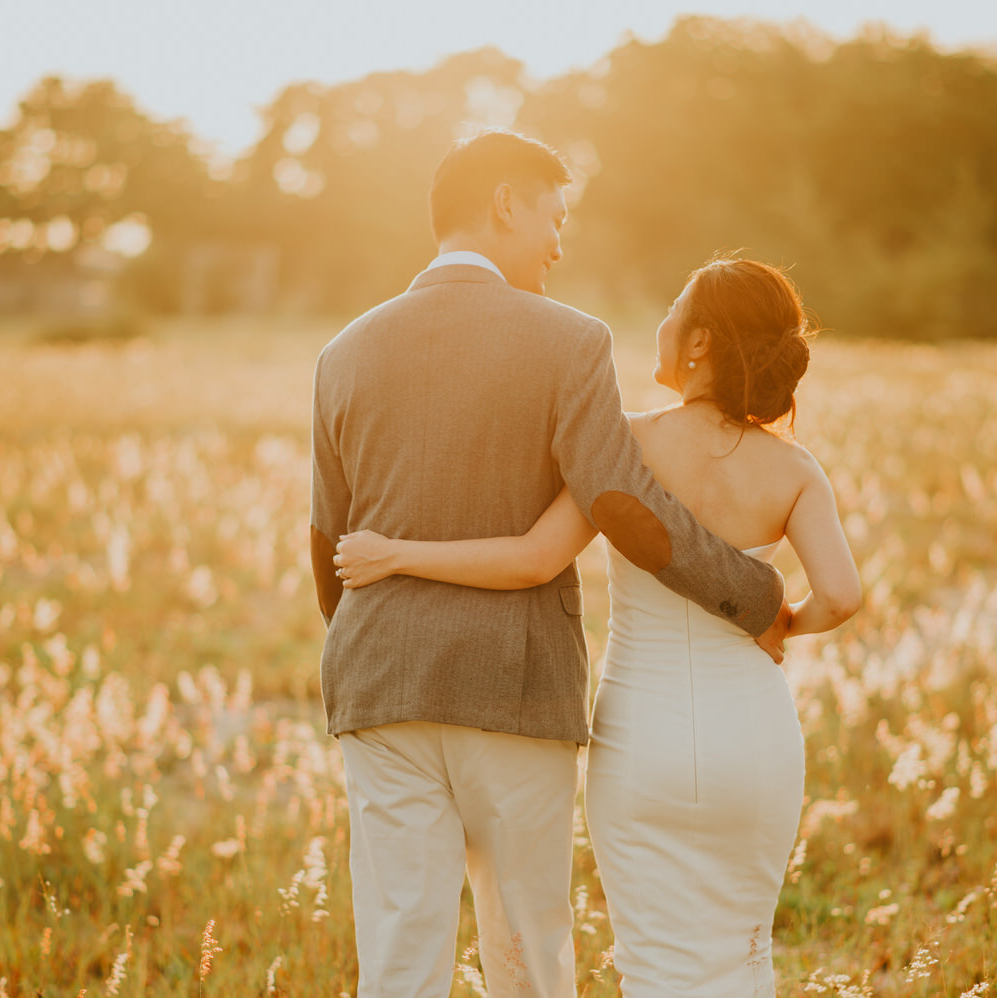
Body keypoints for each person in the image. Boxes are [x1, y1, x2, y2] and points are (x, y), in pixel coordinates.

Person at [309, 129, 789, 997]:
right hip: (513, 686)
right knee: (527, 953)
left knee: (397, 954)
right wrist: (753, 592)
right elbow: (618, 505)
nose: (560, 244)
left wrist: (373, 645)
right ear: (505, 204)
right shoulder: (570, 340)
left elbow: (327, 539)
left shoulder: (341, 352)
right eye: (553, 218)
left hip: (376, 684)